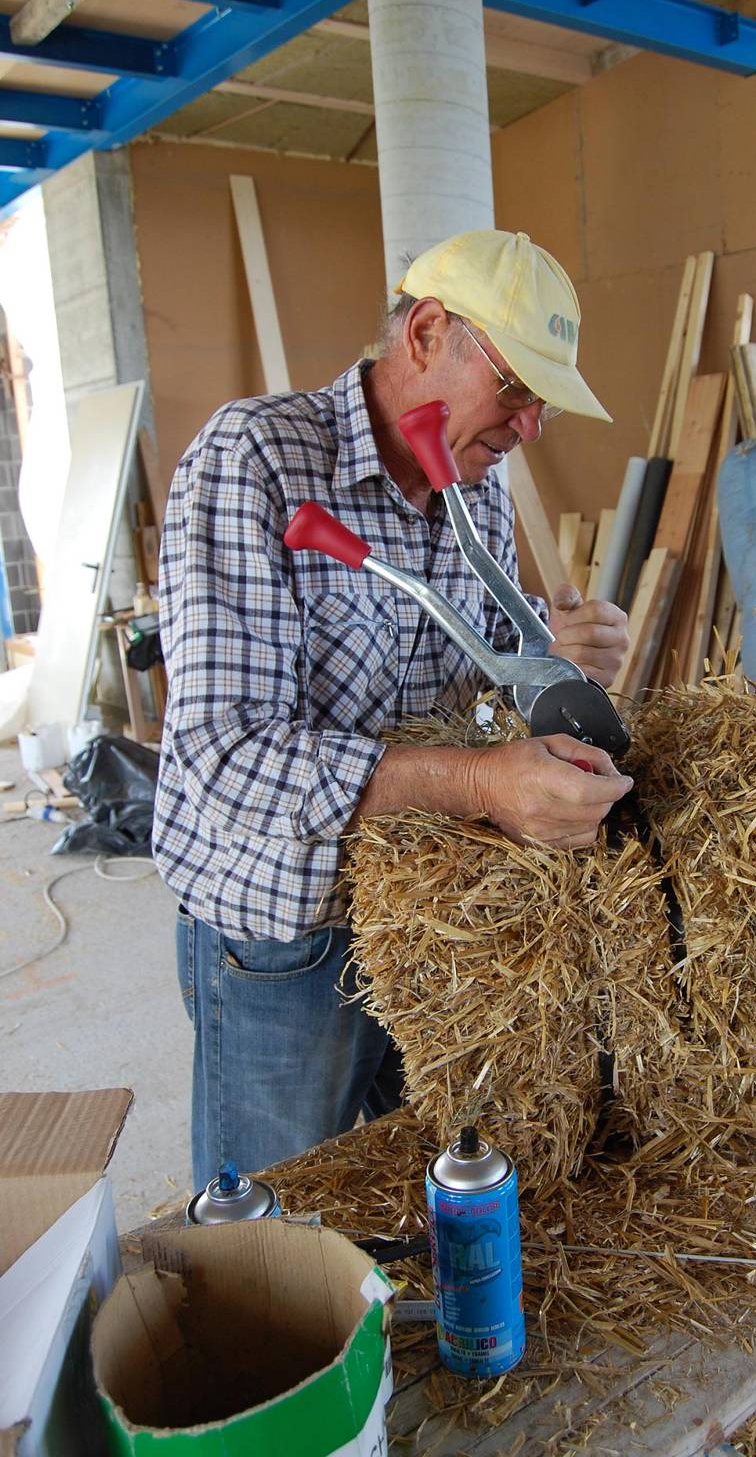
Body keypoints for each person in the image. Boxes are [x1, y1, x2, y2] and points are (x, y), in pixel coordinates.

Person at [153, 228, 631, 1190]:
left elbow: (454, 677)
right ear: (425, 334)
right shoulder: (257, 459)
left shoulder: (474, 492)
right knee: (278, 1220)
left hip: (412, 918)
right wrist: (481, 783)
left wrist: (545, 651)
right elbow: (223, 753)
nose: (530, 426)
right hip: (282, 931)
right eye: (518, 388)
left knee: (416, 1197)